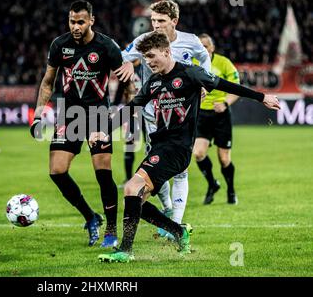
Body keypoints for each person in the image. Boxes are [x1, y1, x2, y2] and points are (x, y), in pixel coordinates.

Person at [93, 31, 279, 262]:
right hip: (160, 147)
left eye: (152, 56)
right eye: (145, 58)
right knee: (135, 200)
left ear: (167, 51)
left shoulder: (190, 72)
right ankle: (179, 232)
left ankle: (125, 251)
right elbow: (132, 107)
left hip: (177, 148)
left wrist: (262, 97)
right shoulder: (154, 81)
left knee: (132, 187)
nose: (148, 62)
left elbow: (224, 84)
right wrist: (105, 130)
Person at [30, 0, 130, 247]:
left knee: (103, 173)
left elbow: (128, 83)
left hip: (98, 115)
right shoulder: (59, 45)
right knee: (57, 171)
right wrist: (38, 115)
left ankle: (111, 229)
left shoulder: (107, 47)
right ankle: (90, 216)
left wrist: (128, 115)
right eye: (72, 21)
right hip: (70, 113)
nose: (75, 26)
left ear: (91, 21)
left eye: (81, 22)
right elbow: (47, 83)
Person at [114, 0, 211, 239]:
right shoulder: (144, 41)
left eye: (161, 21)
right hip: (152, 115)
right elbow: (121, 56)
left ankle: (175, 222)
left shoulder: (191, 41)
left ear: (174, 21)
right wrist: (126, 61)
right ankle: (168, 210)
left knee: (180, 170)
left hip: (182, 115)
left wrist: (205, 82)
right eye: (153, 20)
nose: (155, 25)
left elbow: (204, 57)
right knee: (155, 170)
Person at [193, 34, 241, 205]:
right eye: (201, 46)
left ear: (212, 48)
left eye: (206, 46)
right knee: (198, 153)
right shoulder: (192, 62)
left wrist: (225, 103)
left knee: (224, 159)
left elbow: (236, 87)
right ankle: (212, 184)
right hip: (201, 116)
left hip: (221, 116)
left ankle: (231, 190)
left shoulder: (224, 63)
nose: (204, 49)